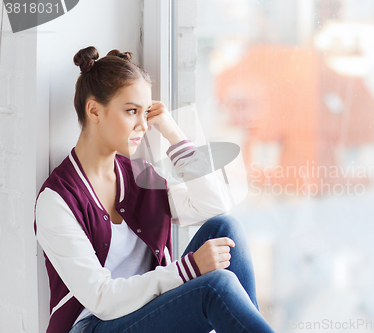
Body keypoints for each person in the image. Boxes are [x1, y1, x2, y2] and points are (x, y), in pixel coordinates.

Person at [33, 46, 275, 333]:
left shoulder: (137, 176)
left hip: (145, 310)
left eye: (145, 112)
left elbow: (212, 206)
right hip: (94, 325)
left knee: (226, 227)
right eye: (131, 111)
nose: (143, 125)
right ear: (94, 110)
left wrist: (174, 132)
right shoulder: (57, 200)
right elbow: (101, 298)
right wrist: (188, 270)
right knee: (215, 286)